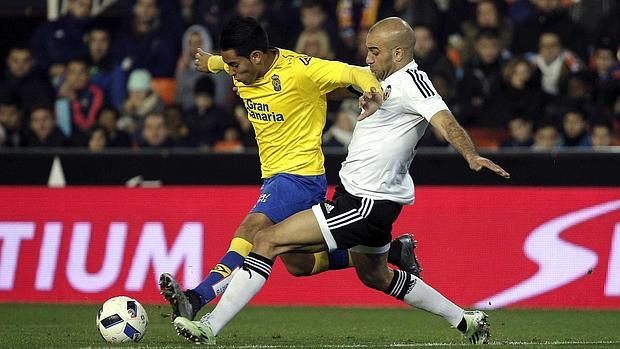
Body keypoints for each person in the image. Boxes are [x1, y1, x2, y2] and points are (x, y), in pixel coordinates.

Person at [172, 17, 510, 346]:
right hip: (362, 200)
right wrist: (217, 64)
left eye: (375, 51)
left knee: (265, 240)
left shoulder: (413, 83)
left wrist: (470, 154)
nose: (368, 58)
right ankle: (465, 319)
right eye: (368, 50)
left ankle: (210, 326)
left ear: (399, 54)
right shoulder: (379, 80)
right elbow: (338, 84)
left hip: (365, 202)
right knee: (373, 275)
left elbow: (445, 121)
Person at [159, 16, 420, 322]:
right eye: (228, 65)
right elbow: (224, 61)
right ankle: (391, 252)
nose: (231, 73)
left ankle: (196, 298)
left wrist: (373, 90)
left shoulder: (300, 70)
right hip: (275, 176)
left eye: (234, 66)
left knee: (251, 230)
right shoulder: (243, 64)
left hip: (299, 177)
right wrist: (211, 62)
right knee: (299, 264)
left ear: (256, 57)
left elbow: (352, 72)